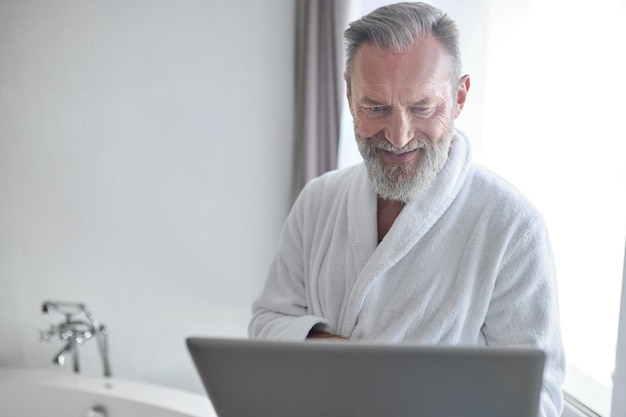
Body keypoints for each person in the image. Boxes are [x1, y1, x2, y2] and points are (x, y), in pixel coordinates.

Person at [248, 2, 565, 416]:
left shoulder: (512, 229)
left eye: (422, 108)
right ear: (349, 97)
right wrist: (358, 363)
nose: (398, 136)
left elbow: (536, 402)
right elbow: (266, 324)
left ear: (459, 97)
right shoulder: (318, 201)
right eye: (376, 107)